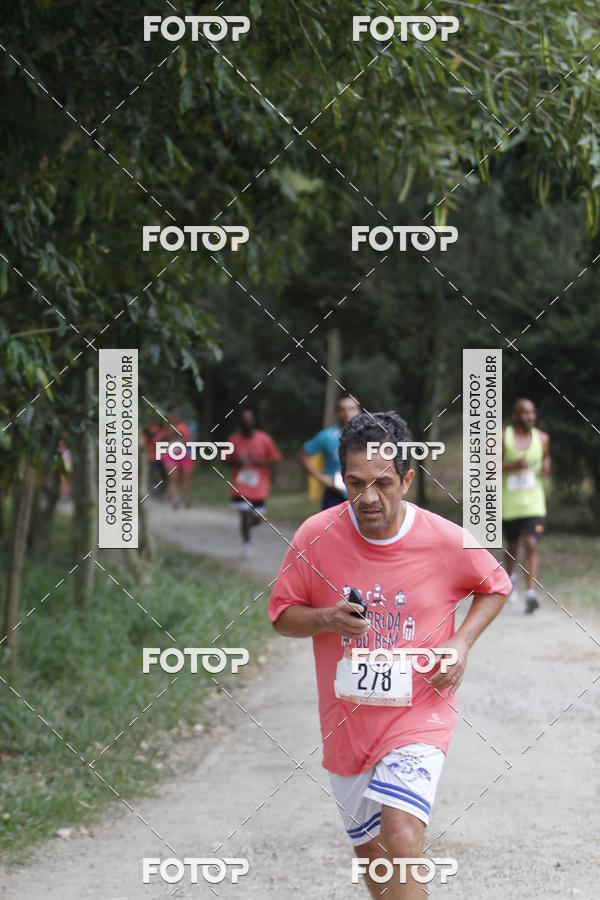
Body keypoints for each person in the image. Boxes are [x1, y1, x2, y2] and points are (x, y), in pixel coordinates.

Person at [269, 411, 511, 899]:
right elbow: (281, 614)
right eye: (355, 484)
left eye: (382, 483)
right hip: (347, 725)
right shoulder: (314, 536)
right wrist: (325, 619)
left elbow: (496, 585)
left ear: (407, 477)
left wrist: (460, 643)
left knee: (401, 836)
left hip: (419, 713)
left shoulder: (445, 538)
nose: (368, 499)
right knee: (378, 867)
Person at [502, 398, 551, 614]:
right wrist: (512, 465)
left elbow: (546, 458)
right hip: (510, 504)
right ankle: (510, 579)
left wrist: (547, 465)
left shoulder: (542, 438)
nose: (529, 416)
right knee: (512, 547)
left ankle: (531, 593)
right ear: (515, 416)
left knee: (531, 543)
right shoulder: (504, 438)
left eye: (532, 413)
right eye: (525, 413)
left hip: (534, 503)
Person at [227, 409, 282, 557]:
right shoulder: (234, 440)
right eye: (244, 420)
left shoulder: (263, 439)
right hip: (241, 484)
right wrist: (237, 461)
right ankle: (247, 545)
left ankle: (248, 527)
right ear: (240, 423)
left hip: (259, 485)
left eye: (249, 419)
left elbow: (276, 457)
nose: (247, 422)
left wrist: (260, 462)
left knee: (258, 518)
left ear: (253, 421)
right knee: (244, 513)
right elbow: (225, 460)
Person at [298, 393, 360, 509]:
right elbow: (303, 455)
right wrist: (320, 477)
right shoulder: (327, 436)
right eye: (342, 410)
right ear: (337, 413)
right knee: (332, 527)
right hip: (335, 495)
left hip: (362, 493)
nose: (347, 414)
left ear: (359, 410)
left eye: (351, 409)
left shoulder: (371, 436)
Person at [162, 410, 194, 509]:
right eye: (171, 416)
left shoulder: (184, 427)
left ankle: (187, 499)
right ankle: (175, 500)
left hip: (185, 454)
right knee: (173, 478)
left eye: (175, 416)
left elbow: (186, 439)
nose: (173, 418)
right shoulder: (165, 429)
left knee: (186, 479)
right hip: (170, 454)